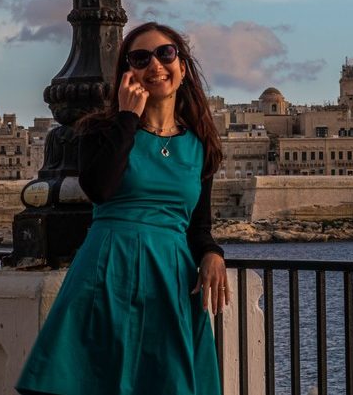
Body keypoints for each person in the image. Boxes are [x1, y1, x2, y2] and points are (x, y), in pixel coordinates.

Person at [16, 22, 228, 395]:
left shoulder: (201, 145)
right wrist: (128, 117)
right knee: (97, 379)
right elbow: (99, 189)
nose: (156, 65)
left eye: (165, 53)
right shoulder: (99, 130)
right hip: (107, 267)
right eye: (141, 58)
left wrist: (212, 253)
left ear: (182, 65)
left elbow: (198, 226)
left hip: (171, 276)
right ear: (128, 72)